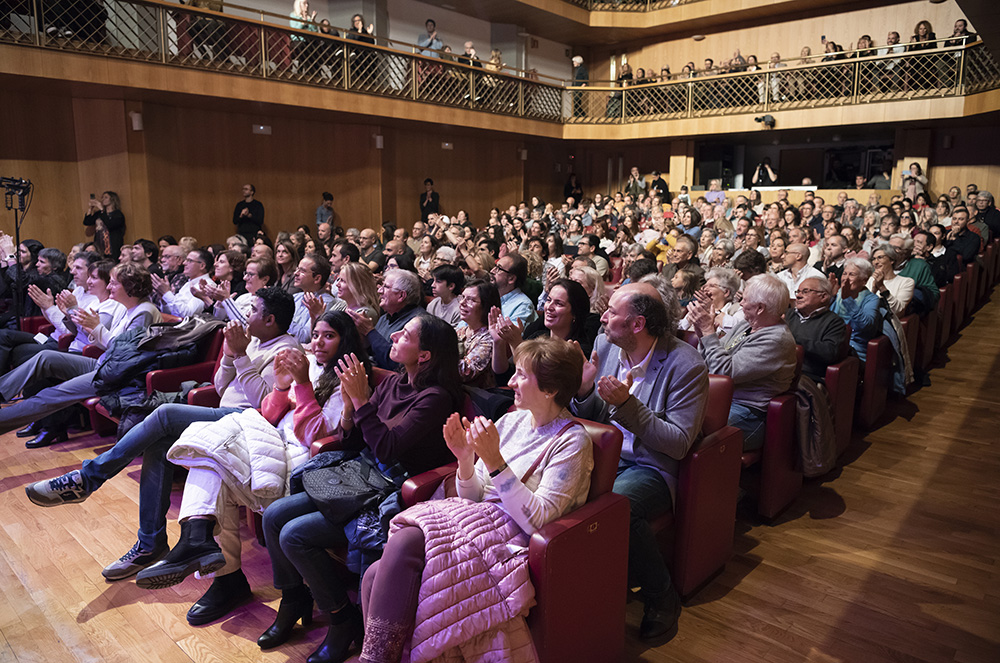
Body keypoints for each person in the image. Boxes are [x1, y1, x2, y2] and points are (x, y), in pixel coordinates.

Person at [27, 287, 300, 614]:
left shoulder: (286, 350)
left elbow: (267, 404)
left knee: (165, 415)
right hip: (226, 418)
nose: (245, 315)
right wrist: (230, 354)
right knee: (159, 439)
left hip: (250, 424)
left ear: (270, 320)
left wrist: (240, 356)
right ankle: (150, 541)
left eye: (253, 310)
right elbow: (224, 387)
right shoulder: (252, 340)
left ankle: (90, 478)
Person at [360, 336, 591, 662]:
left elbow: (539, 520)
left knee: (404, 544)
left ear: (551, 389)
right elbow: (473, 494)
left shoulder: (572, 441)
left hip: (511, 537)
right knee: (374, 575)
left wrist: (496, 462)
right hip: (474, 518)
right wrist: (466, 459)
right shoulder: (511, 420)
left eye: (522, 375)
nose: (510, 381)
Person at [260, 314, 459, 662]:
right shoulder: (395, 382)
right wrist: (351, 409)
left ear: (424, 355)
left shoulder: (435, 397)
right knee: (274, 515)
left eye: (406, 335)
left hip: (390, 490)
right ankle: (294, 600)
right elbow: (355, 442)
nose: (393, 335)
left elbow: (387, 448)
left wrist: (363, 401)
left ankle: (342, 620)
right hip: (360, 475)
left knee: (294, 535)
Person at [571, 282, 708, 641]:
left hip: (653, 466)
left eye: (612, 312)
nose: (602, 317)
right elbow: (597, 417)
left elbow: (678, 444)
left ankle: (661, 596)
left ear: (637, 324)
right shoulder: (608, 346)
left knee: (618, 504)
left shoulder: (685, 363)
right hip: (607, 455)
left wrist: (628, 407)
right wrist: (585, 391)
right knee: (558, 488)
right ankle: (583, 590)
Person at [0, 263, 162, 436]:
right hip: (106, 364)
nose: (109, 286)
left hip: (118, 376)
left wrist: (96, 327)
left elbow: (125, 354)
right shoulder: (129, 308)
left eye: (114, 283)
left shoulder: (144, 312)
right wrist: (89, 325)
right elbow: (110, 345)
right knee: (45, 357)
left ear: (131, 287)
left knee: (52, 394)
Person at [690, 273, 798, 450]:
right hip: (717, 399)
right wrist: (703, 335)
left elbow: (724, 374)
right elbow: (710, 362)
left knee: (688, 432)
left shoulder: (776, 340)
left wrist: (709, 333)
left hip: (748, 414)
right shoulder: (745, 326)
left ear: (760, 308)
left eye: (745, 300)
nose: (740, 304)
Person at [349, 269, 423, 370]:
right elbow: (373, 352)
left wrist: (369, 331)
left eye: (386, 287)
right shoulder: (385, 317)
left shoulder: (416, 322)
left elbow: (395, 363)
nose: (379, 291)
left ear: (401, 296)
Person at [784, 276, 848, 383]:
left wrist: (792, 338)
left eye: (805, 292)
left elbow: (829, 352)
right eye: (798, 292)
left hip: (807, 376)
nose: (798, 296)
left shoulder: (834, 322)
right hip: (779, 370)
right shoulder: (787, 314)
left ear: (823, 297)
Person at [831, 257, 881, 362]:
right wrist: (829, 296)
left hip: (855, 348)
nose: (845, 278)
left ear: (864, 281)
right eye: (844, 274)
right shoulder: (838, 293)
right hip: (833, 341)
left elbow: (865, 325)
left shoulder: (871, 299)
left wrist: (848, 300)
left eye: (852, 275)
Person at [151, 248, 214, 317]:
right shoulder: (189, 283)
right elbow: (172, 313)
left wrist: (167, 293)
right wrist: (164, 300)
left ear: (202, 266)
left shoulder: (207, 286)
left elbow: (187, 315)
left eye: (189, 261)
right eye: (186, 260)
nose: (184, 263)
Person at [867, 244, 914, 317]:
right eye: (873, 259)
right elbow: (863, 307)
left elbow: (897, 310)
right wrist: (873, 290)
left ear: (891, 260)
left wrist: (882, 287)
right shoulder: (870, 280)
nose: (876, 262)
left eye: (880, 257)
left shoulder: (906, 282)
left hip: (889, 324)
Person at [82, 190, 126, 258]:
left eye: (106, 197)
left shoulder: (117, 214)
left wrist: (101, 209)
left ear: (112, 199)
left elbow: (110, 225)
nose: (103, 199)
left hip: (112, 247)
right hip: (99, 245)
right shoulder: (100, 213)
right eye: (102, 197)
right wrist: (90, 209)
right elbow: (87, 222)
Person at [425, 263, 463, 328]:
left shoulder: (460, 309)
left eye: (438, 281)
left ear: (451, 286)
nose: (432, 285)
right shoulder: (433, 304)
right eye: (433, 281)